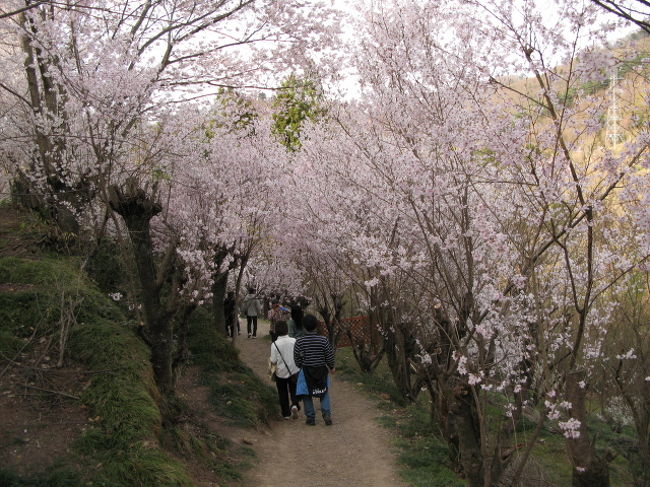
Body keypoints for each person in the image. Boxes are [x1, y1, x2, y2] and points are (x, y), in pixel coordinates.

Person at [294, 313, 336, 426]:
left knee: (306, 394)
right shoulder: (323, 340)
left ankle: (310, 417)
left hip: (306, 370)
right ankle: (326, 414)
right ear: (316, 326)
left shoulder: (299, 341)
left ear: (304, 327)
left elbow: (296, 358)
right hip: (321, 370)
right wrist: (331, 367)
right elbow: (329, 356)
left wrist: (300, 365)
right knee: (324, 392)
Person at [269, 321, 301, 420]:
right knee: (294, 389)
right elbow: (298, 355)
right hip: (294, 370)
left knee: (282, 392)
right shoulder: (294, 341)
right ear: (287, 330)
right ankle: (295, 405)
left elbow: (273, 360)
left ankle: (286, 413)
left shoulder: (274, 344)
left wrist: (271, 372)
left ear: (276, 332)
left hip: (281, 373)